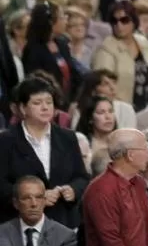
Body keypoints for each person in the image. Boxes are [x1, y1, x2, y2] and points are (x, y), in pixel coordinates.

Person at [0, 77, 89, 227]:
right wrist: (35, 197)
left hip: (61, 222)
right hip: (18, 224)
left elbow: (81, 177)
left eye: (49, 102)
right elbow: (1, 184)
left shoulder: (68, 137)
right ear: (22, 108)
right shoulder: (6, 140)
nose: (45, 107)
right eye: (37, 103)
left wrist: (73, 190)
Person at [91, 0, 148, 113]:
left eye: (124, 20)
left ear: (134, 21)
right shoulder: (106, 48)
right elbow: (103, 89)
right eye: (114, 21)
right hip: (121, 111)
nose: (119, 25)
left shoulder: (143, 43)